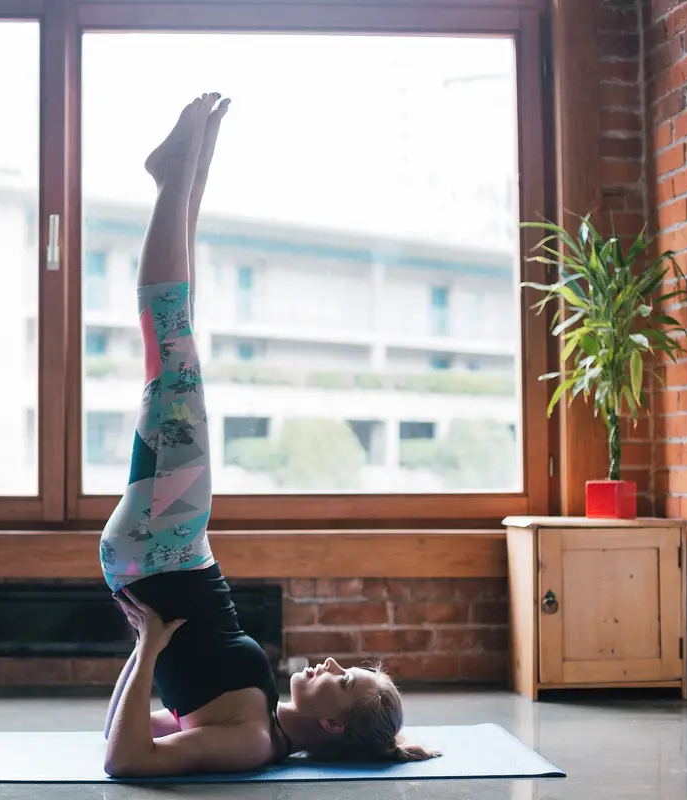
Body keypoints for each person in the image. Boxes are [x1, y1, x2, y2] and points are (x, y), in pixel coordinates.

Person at [98, 93, 440, 779]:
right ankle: (185, 178)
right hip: (168, 549)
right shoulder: (256, 718)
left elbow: (123, 760)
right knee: (174, 354)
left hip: (166, 551)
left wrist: (150, 649)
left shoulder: (251, 742)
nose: (334, 664)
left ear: (332, 722)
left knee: (173, 349)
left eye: (344, 680)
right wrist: (146, 654)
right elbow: (137, 728)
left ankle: (175, 179)